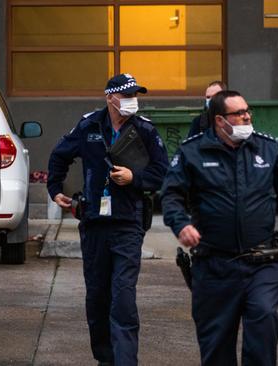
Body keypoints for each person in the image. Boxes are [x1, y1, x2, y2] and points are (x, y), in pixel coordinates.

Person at [161, 90, 278, 366]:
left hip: (262, 263)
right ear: (220, 120)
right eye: (239, 113)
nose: (247, 116)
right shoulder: (193, 152)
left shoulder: (267, 148)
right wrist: (181, 224)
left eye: (248, 111)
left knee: (264, 319)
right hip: (214, 268)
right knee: (216, 347)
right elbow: (171, 194)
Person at [47, 73, 168, 365]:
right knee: (98, 297)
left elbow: (163, 172)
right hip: (94, 224)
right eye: (126, 95)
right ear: (110, 97)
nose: (132, 101)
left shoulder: (144, 130)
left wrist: (134, 178)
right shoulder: (89, 125)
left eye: (135, 95)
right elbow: (59, 156)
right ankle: (105, 359)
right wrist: (55, 190)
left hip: (128, 223)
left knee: (123, 298)